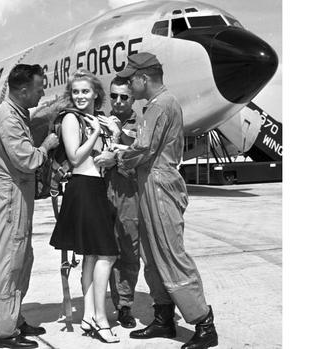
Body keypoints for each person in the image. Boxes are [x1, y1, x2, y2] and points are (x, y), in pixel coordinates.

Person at [113, 53, 219, 349]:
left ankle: (204, 322)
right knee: (151, 253)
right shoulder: (157, 105)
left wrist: (117, 155)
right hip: (149, 182)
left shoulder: (161, 106)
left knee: (170, 253)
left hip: (159, 184)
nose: (127, 84)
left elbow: (143, 149)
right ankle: (163, 317)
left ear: (144, 79)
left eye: (130, 78)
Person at [0, 64, 60, 349]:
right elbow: (26, 160)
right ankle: (4, 334)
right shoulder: (8, 120)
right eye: (39, 88)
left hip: (18, 194)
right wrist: (47, 145)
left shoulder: (18, 114)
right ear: (23, 90)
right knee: (8, 264)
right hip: (8, 196)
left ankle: (14, 319)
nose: (42, 93)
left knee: (22, 260)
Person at [49, 69, 120, 344]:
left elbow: (105, 155)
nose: (80, 96)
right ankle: (102, 319)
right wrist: (95, 133)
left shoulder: (96, 119)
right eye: (76, 91)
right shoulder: (70, 119)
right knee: (106, 255)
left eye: (85, 91)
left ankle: (89, 316)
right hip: (82, 188)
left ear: (96, 94)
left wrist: (111, 136)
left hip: (97, 188)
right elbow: (75, 157)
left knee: (92, 256)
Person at [94, 76, 140, 329]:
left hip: (128, 196)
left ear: (133, 99)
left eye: (124, 97)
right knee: (97, 253)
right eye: (114, 96)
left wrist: (118, 144)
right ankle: (95, 307)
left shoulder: (142, 124)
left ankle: (124, 305)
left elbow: (141, 163)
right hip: (99, 195)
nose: (118, 101)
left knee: (129, 254)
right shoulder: (97, 122)